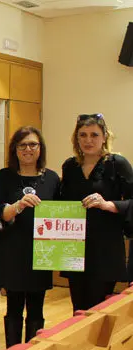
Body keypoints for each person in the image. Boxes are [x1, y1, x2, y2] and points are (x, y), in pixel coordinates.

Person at [0, 126, 61, 347]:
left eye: (33, 144)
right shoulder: (4, 177)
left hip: (41, 253)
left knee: (36, 306)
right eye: (22, 145)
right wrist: (18, 206)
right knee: (13, 306)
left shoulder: (52, 178)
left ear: (40, 148)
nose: (28, 149)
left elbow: (60, 214)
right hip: (12, 251)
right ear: (15, 149)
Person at [59, 114, 133, 312]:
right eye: (82, 135)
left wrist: (108, 204)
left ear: (104, 137)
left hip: (105, 250)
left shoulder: (117, 164)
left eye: (94, 135)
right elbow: (61, 202)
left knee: (97, 312)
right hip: (75, 250)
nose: (88, 140)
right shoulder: (70, 166)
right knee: (78, 309)